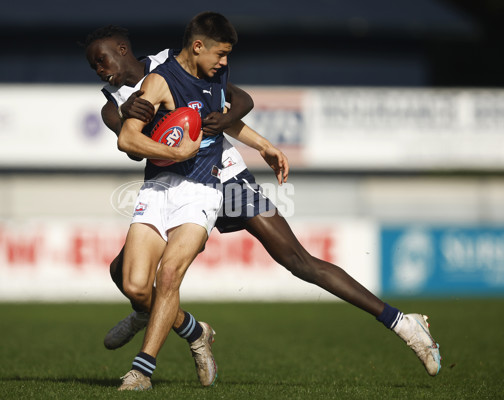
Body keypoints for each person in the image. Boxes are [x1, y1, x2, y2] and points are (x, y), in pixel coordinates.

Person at [85, 14, 441, 389]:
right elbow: (132, 147)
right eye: (93, 65)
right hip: (171, 186)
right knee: (125, 276)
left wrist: (228, 122)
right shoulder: (113, 104)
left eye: (101, 60)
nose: (98, 70)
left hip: (225, 177)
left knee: (297, 261)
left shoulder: (172, 61)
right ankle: (168, 318)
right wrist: (130, 115)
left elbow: (239, 99)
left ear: (122, 50)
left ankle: (403, 323)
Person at [93, 13, 288, 391]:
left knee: (169, 276)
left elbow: (226, 117)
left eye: (227, 55)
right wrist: (175, 150)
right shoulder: (156, 82)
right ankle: (195, 331)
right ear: (198, 46)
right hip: (159, 188)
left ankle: (141, 371)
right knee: (135, 287)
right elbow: (128, 141)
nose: (225, 62)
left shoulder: (212, 75)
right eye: (222, 54)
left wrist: (265, 145)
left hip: (204, 188)